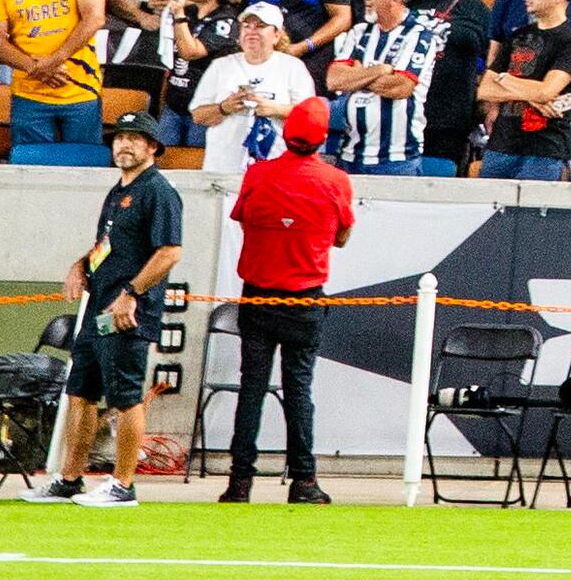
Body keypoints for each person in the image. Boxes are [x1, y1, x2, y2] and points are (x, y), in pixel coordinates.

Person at [39, 110, 188, 505]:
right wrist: (80, 264)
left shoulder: (158, 191)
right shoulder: (118, 190)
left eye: (134, 138)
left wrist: (132, 293)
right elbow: (107, 246)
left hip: (127, 311)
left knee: (125, 396)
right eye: (120, 137)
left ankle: (123, 484)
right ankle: (69, 478)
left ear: (153, 147)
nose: (124, 144)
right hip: (99, 307)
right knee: (81, 391)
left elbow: (169, 252)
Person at [222, 105, 352, 501]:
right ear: (322, 138)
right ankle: (304, 481)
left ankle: (239, 482)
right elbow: (341, 237)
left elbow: (243, 218)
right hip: (304, 298)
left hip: (258, 294)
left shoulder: (258, 174)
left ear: (287, 134)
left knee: (251, 388)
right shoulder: (335, 180)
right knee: (298, 389)